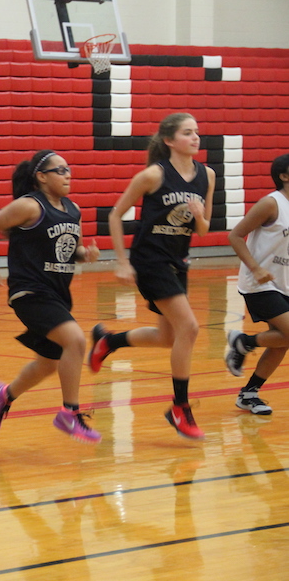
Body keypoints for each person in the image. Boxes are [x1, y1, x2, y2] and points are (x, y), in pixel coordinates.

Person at [87, 112, 215, 440]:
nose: (195, 137)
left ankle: (108, 341)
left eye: (197, 132)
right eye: (188, 133)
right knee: (189, 328)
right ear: (170, 141)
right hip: (150, 260)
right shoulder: (153, 175)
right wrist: (121, 261)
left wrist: (199, 216)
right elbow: (115, 215)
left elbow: (202, 230)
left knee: (168, 338)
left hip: (177, 262)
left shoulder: (208, 176)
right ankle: (179, 407)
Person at [0, 150, 101, 443]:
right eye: (60, 170)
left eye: (69, 169)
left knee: (49, 363)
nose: (67, 174)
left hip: (57, 293)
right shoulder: (30, 206)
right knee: (76, 340)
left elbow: (73, 251)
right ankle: (69, 414)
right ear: (42, 177)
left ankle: (3, 396)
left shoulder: (73, 209)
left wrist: (87, 254)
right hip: (30, 291)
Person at [223, 153, 289, 415]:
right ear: (284, 176)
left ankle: (249, 393)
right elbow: (235, 236)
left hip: (283, 281)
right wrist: (256, 268)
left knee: (283, 341)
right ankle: (244, 342)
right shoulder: (271, 204)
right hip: (259, 282)